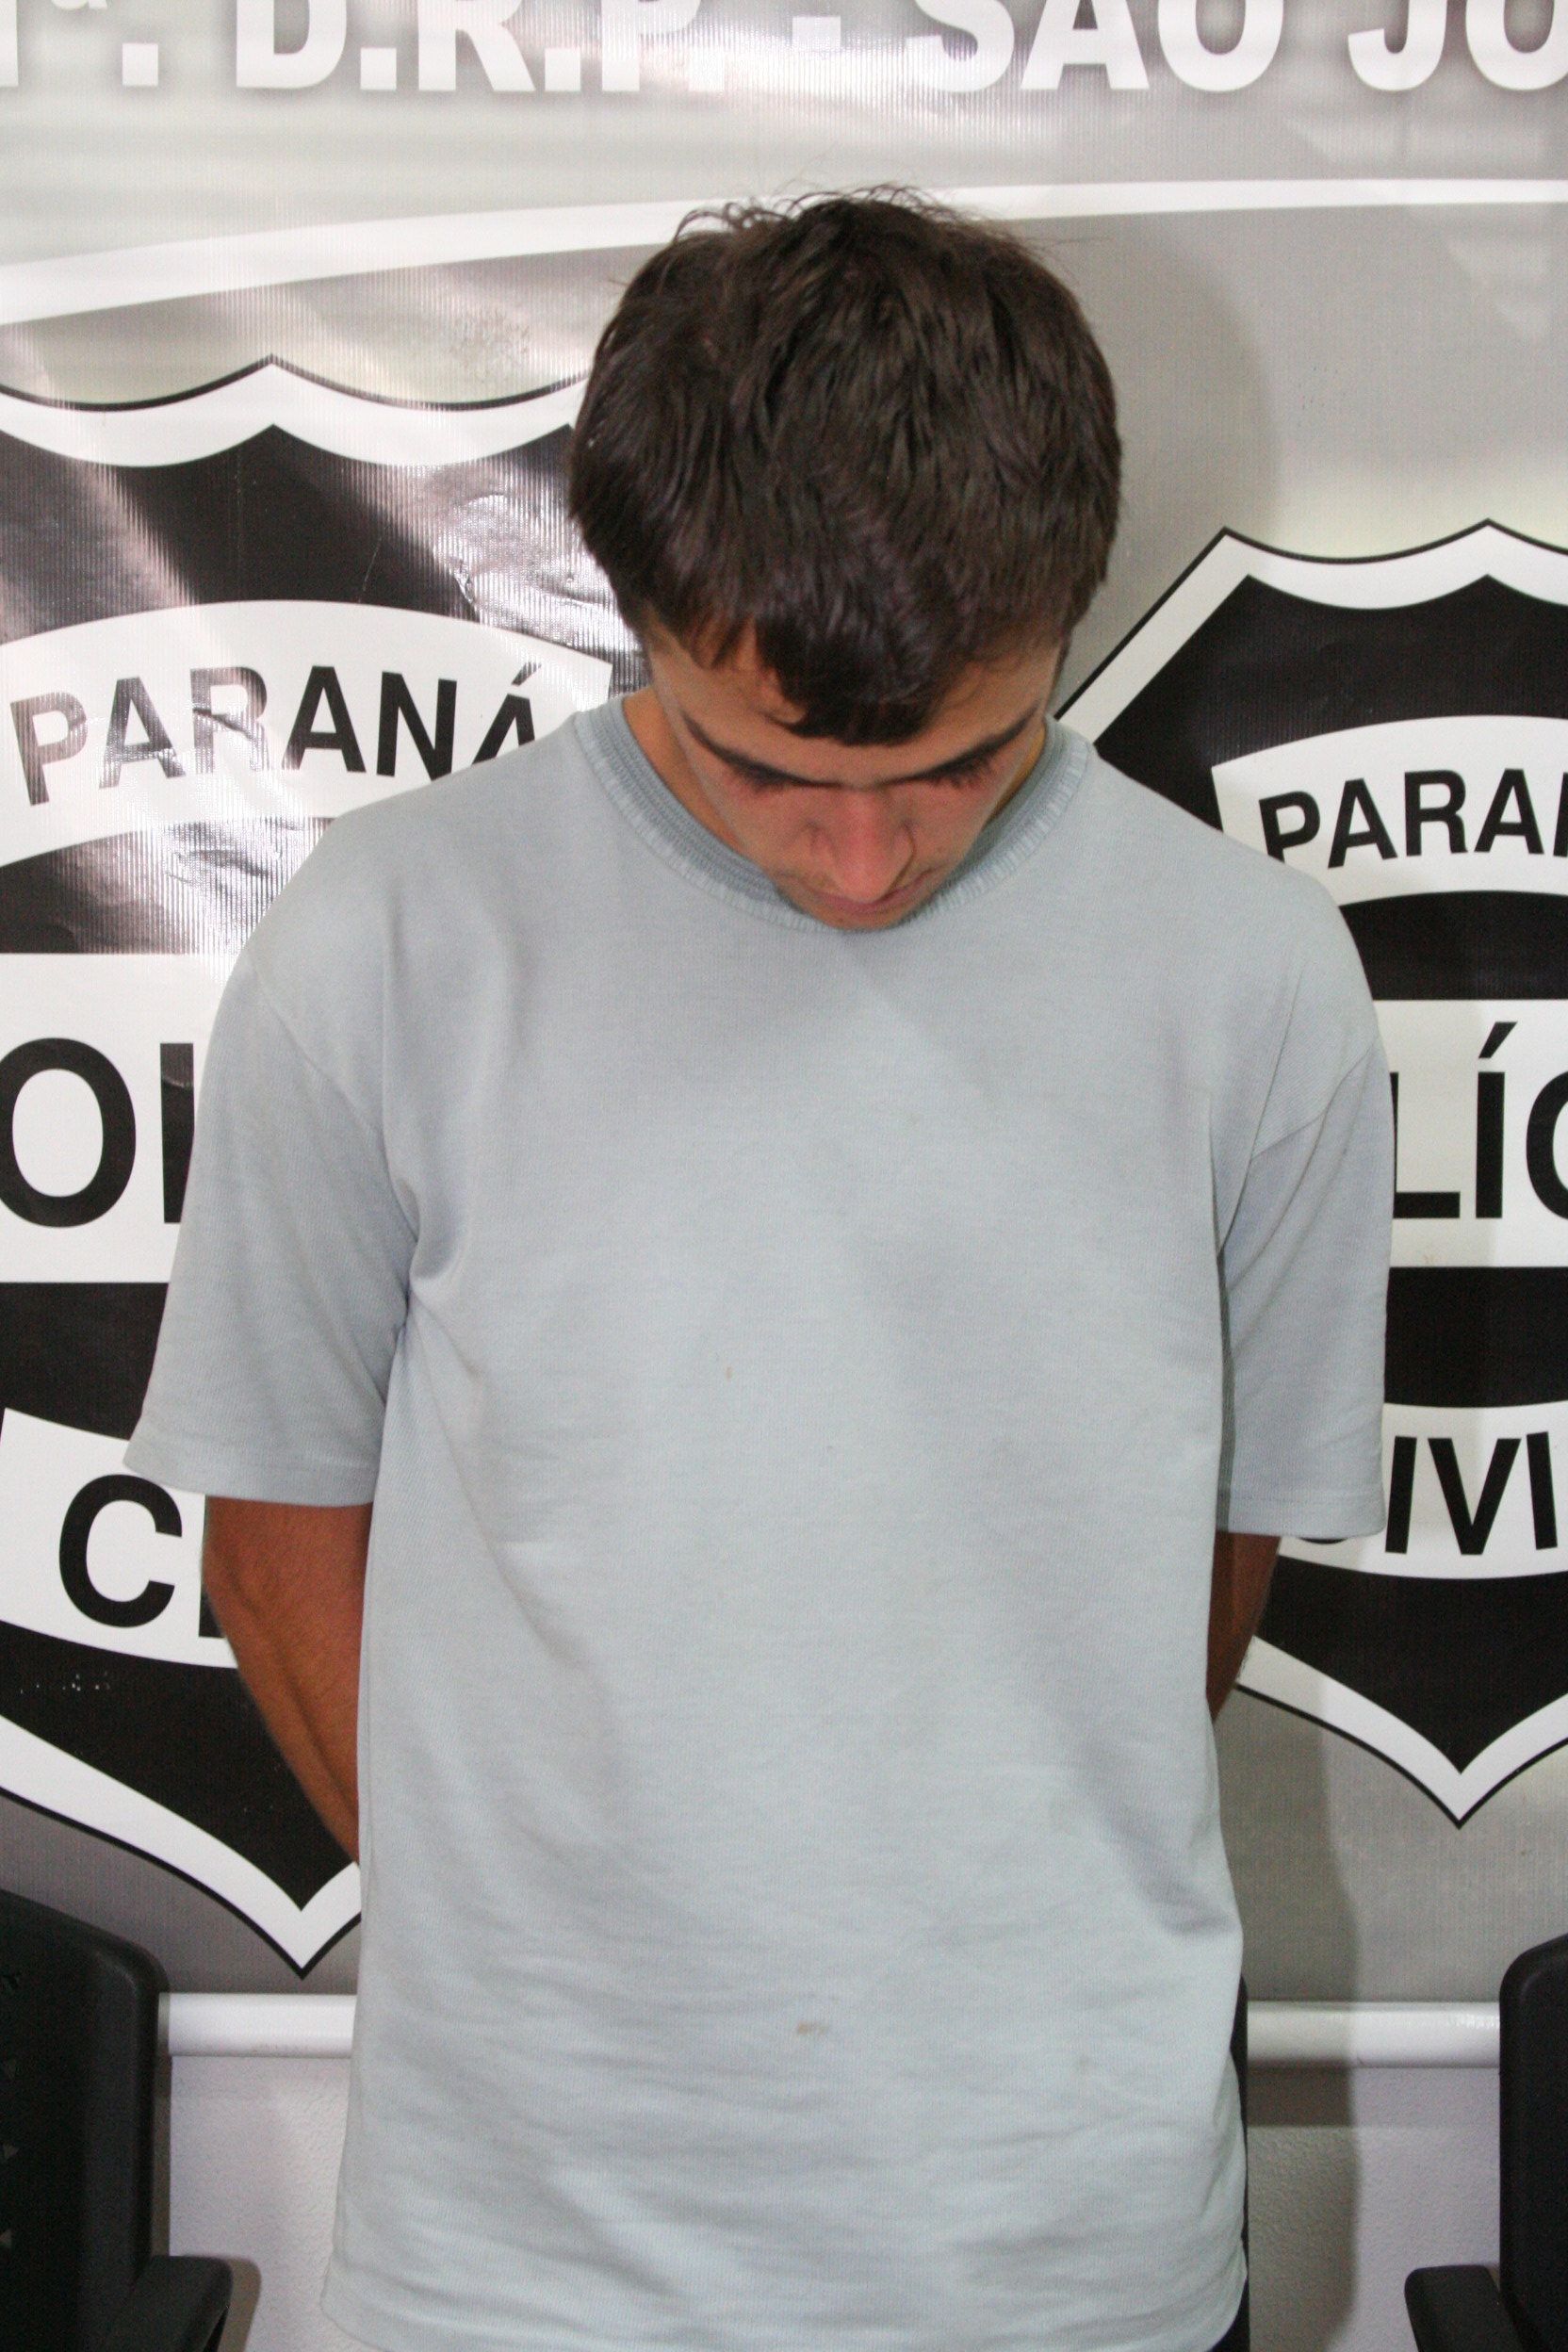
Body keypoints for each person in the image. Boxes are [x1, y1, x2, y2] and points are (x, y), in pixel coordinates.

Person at [127, 194, 1392, 2352]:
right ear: (633, 613)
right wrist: (560, 1981)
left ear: (1066, 613)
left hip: (1069, 2254)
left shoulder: (1253, 977)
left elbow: (1194, 1574)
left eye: (960, 761)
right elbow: (275, 1547)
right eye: (771, 767)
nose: (866, 858)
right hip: (522, 2266)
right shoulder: (392, 938)